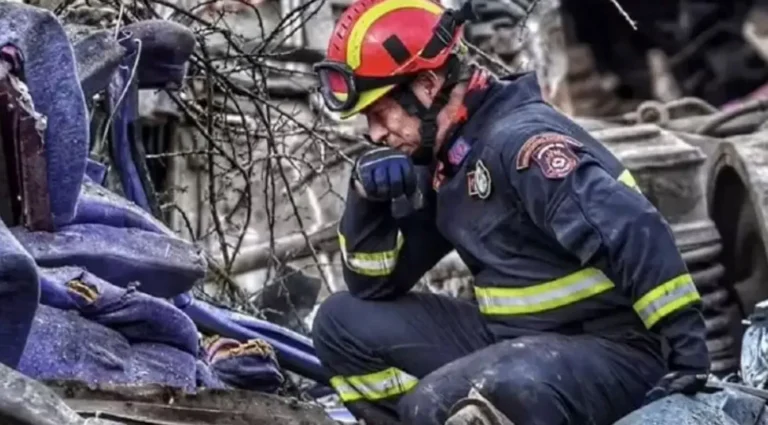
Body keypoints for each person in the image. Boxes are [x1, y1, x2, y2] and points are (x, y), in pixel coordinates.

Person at [310, 0, 711, 424]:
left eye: (379, 112)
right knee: (340, 323)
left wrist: (687, 357)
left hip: (616, 351)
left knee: (433, 402)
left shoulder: (521, 144)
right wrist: (367, 201)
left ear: (427, 85)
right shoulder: (449, 158)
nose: (374, 133)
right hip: (516, 342)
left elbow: (635, 229)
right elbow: (373, 287)